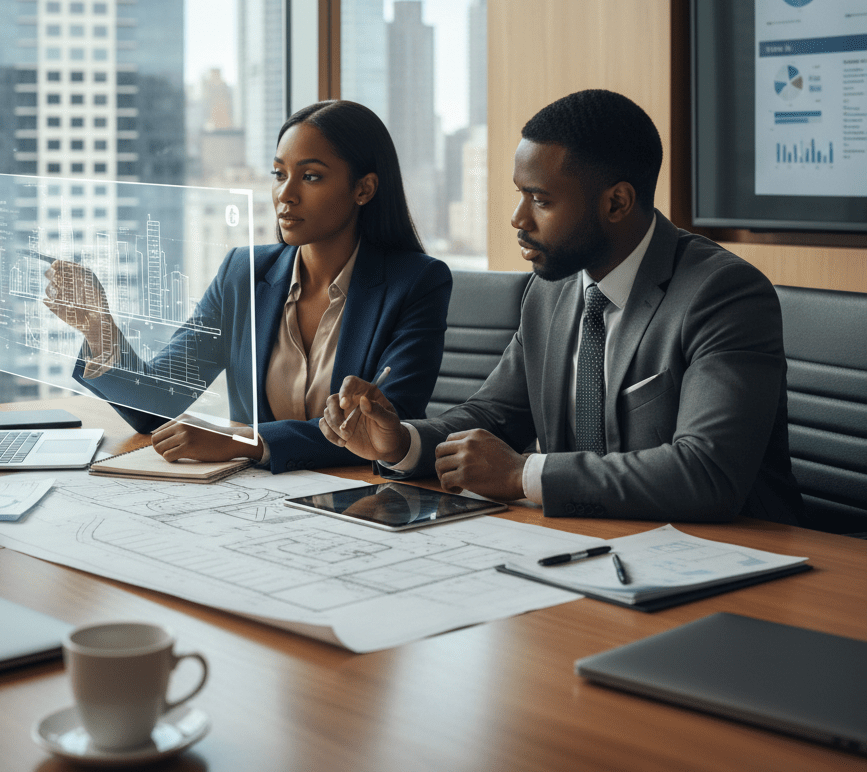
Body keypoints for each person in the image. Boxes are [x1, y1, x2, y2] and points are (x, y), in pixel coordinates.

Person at [320, 89, 805, 524]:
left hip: (737, 561)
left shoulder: (724, 295)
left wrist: (523, 474)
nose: (517, 218)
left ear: (616, 203)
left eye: (540, 200)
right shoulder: (553, 288)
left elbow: (707, 473)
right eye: (519, 195)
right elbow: (495, 415)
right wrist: (401, 442)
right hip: (585, 543)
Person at [44, 100, 452, 474]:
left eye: (310, 176)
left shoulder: (417, 283)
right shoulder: (243, 273)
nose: (285, 195)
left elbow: (383, 435)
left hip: (359, 499)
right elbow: (157, 406)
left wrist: (245, 440)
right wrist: (99, 328)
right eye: (279, 174)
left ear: (363, 188)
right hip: (251, 505)